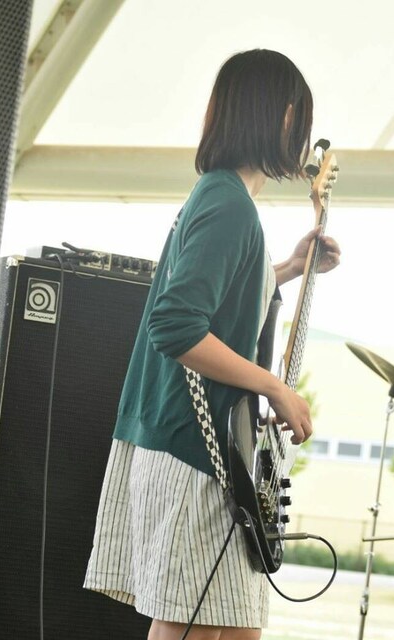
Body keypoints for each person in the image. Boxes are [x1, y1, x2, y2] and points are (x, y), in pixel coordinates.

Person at [83, 48, 341, 640]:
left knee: (234, 627)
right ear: (278, 115)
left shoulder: (222, 197)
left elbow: (219, 301)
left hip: (194, 446)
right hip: (195, 449)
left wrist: (289, 267)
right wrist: (275, 387)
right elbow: (176, 325)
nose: (302, 132)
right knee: (194, 625)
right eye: (299, 115)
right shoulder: (228, 204)